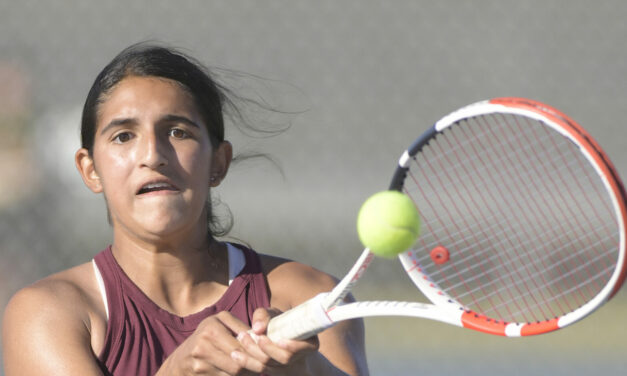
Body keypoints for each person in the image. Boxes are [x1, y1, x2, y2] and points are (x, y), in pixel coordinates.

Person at [2, 43, 368, 375]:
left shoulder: (308, 297)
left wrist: (308, 371)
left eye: (178, 132)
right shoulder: (48, 315)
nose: (153, 155)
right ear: (90, 169)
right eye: (124, 136)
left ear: (218, 163)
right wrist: (177, 371)